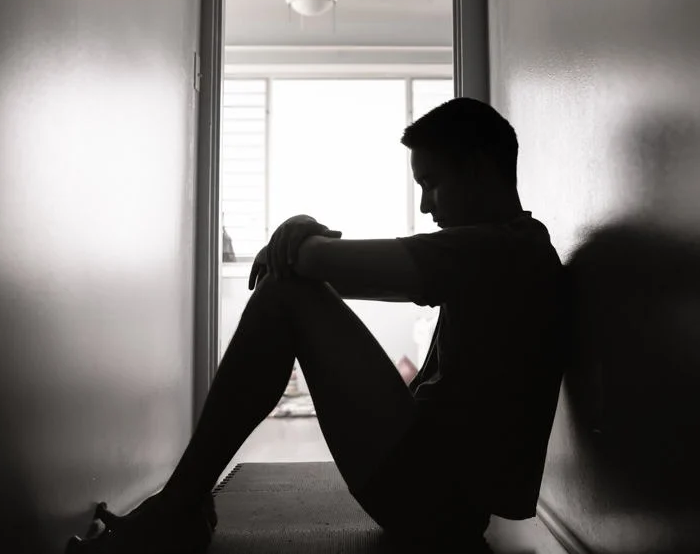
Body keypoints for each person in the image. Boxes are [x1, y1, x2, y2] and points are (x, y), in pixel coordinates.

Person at [66, 97, 568, 553]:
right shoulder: (515, 247)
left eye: (431, 183)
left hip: (436, 499)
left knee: (284, 294)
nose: (425, 205)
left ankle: (175, 509)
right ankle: (180, 504)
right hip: (438, 489)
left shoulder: (506, 251)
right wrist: (303, 236)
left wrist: (297, 230)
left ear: (479, 169)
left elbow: (326, 264)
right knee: (289, 288)